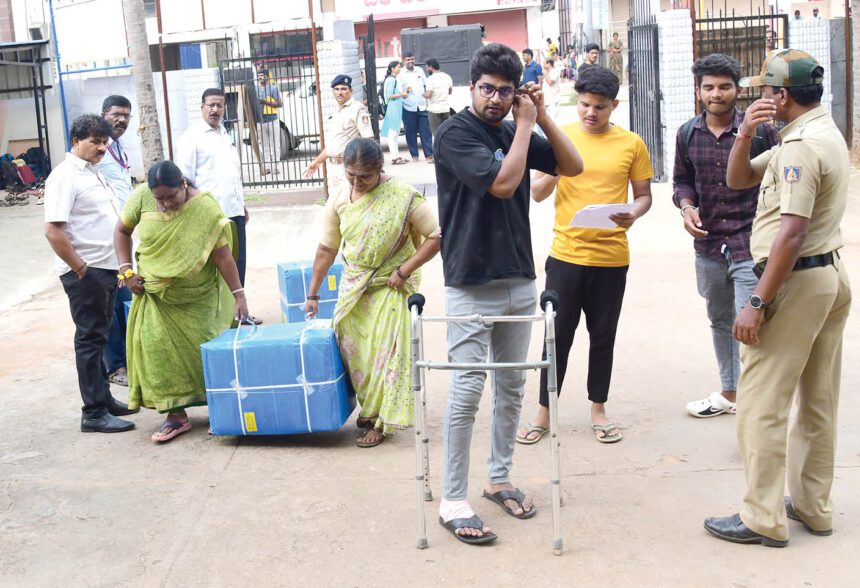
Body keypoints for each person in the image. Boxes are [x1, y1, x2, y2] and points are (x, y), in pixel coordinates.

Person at [434, 42, 583, 544]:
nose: (496, 100)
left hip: (519, 278)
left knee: (513, 388)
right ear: (471, 87)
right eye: (487, 90)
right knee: (467, 391)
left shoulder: (514, 126)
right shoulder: (454, 133)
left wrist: (542, 117)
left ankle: (499, 477)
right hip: (471, 281)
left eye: (505, 91)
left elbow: (573, 166)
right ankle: (453, 499)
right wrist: (522, 128)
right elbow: (501, 184)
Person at [704, 49, 851, 547]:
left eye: (766, 92)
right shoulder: (818, 132)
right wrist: (746, 132)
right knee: (818, 400)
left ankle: (761, 518)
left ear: (782, 96)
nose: (761, 98)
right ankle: (813, 506)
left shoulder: (799, 149)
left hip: (794, 282)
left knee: (761, 404)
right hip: (827, 277)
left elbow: (790, 234)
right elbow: (739, 178)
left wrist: (758, 303)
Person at [517, 66, 653, 446]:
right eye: (585, 104)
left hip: (611, 257)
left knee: (603, 336)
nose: (591, 113)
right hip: (566, 255)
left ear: (614, 105)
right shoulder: (563, 137)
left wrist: (634, 212)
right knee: (556, 336)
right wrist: (560, 165)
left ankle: (599, 408)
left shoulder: (631, 144)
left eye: (600, 107)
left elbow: (643, 195)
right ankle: (544, 411)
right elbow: (538, 193)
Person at [304, 138, 440, 448]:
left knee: (385, 355)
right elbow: (327, 248)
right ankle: (368, 408)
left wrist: (404, 270)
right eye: (351, 174)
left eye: (364, 176)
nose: (357, 182)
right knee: (357, 354)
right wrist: (313, 293)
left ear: (380, 169)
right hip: (355, 287)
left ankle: (380, 421)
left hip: (392, 287)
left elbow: (436, 236)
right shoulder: (339, 198)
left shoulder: (403, 196)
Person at [674, 54, 779, 419]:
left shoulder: (762, 131)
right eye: (709, 87)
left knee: (749, 322)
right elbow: (681, 181)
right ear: (699, 90)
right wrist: (687, 207)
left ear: (737, 90)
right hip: (707, 245)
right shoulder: (687, 133)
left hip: (750, 241)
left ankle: (755, 408)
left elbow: (777, 179)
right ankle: (730, 392)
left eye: (724, 87)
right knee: (720, 320)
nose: (716, 94)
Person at [115, 161, 249, 443]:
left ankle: (221, 413)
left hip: (195, 297)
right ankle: (175, 416)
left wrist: (239, 294)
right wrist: (126, 270)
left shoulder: (205, 208)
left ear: (183, 185)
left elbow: (223, 256)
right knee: (157, 353)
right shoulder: (140, 197)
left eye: (170, 197)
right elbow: (122, 231)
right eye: (159, 199)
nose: (164, 205)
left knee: (203, 354)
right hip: (152, 294)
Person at [44, 114, 138, 434]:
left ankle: (104, 398)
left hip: (105, 268)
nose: (101, 148)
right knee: (89, 339)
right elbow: (54, 231)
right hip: (87, 272)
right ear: (76, 142)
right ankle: (94, 412)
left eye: (104, 142)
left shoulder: (94, 172)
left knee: (97, 338)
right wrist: (81, 269)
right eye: (94, 142)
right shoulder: (64, 177)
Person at [176, 89, 261, 324]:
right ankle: (218, 318)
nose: (215, 110)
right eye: (211, 105)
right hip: (210, 216)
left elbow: (231, 173)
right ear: (202, 106)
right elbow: (185, 179)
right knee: (216, 267)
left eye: (220, 106)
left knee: (238, 262)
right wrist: (201, 208)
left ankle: (239, 314)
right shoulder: (191, 137)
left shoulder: (225, 133)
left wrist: (240, 204)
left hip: (233, 212)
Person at [98, 95, 134, 388]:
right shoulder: (97, 151)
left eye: (126, 116)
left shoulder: (118, 147)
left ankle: (125, 360)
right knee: (110, 306)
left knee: (124, 302)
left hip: (122, 237)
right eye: (116, 114)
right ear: (103, 115)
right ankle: (115, 365)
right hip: (104, 240)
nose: (121, 120)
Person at [304, 74, 374, 184]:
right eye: (336, 89)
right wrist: (316, 163)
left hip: (349, 167)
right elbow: (333, 145)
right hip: (333, 169)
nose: (339, 92)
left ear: (351, 91)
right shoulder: (336, 112)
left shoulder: (357, 109)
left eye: (343, 89)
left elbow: (369, 141)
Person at [397, 53, 434, 163]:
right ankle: (414, 155)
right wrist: (406, 92)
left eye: (412, 59)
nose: (410, 61)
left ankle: (429, 155)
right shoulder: (400, 74)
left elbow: (425, 85)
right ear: (403, 61)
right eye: (408, 60)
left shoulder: (419, 70)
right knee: (410, 131)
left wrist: (427, 100)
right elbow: (400, 91)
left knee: (426, 131)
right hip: (408, 106)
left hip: (421, 105)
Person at [380, 61, 409, 165]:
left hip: (396, 107)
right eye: (397, 67)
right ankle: (394, 157)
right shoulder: (391, 80)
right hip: (393, 108)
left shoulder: (393, 79)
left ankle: (396, 156)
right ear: (392, 68)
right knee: (392, 134)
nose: (399, 68)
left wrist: (403, 93)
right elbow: (389, 96)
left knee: (395, 133)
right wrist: (402, 93)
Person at [256, 67, 283, 176]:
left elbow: (280, 104)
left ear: (267, 76)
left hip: (272, 119)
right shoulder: (256, 89)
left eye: (262, 75)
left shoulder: (273, 88)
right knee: (264, 145)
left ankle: (276, 167)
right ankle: (267, 167)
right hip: (260, 120)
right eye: (258, 76)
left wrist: (266, 102)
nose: (260, 77)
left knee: (275, 144)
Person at [425, 58, 454, 135]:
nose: (427, 69)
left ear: (431, 67)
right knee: (446, 132)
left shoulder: (430, 79)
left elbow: (429, 95)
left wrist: (423, 94)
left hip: (434, 110)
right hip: (445, 109)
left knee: (436, 133)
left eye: (427, 67)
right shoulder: (447, 76)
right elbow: (450, 92)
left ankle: (438, 147)